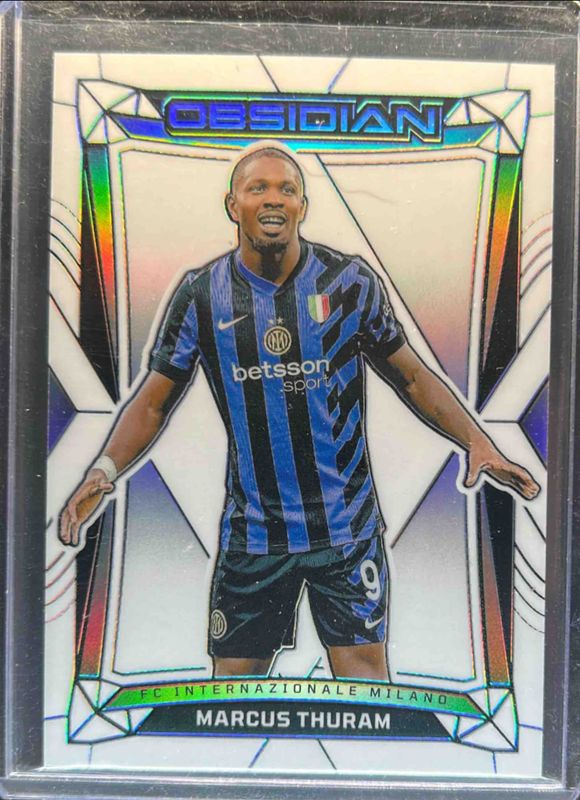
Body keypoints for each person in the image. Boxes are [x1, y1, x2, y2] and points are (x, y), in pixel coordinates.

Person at [59, 142, 539, 682]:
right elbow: (154, 401)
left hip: (346, 531)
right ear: (232, 204)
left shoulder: (348, 282)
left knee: (364, 693)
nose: (274, 199)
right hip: (255, 534)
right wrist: (104, 470)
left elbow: (411, 375)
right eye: (257, 188)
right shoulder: (201, 294)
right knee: (232, 695)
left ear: (302, 206)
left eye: (287, 189)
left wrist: (477, 440)